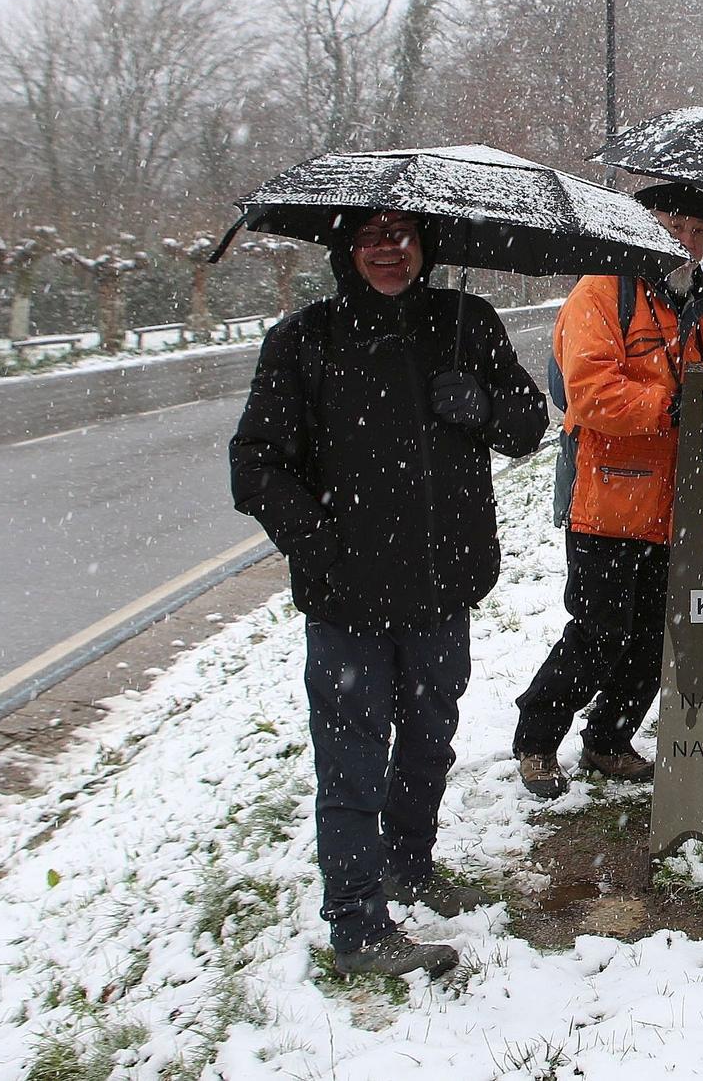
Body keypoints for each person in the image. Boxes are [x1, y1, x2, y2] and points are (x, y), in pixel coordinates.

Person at [230, 209, 547, 977]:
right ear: (346, 249)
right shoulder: (304, 341)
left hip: (442, 587)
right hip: (348, 599)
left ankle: (410, 862)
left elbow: (529, 423)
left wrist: (480, 404)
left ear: (426, 245)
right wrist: (322, 546)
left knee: (431, 740)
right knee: (351, 759)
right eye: (369, 235)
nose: (387, 248)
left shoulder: (468, 322)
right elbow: (255, 466)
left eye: (402, 234)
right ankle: (358, 923)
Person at [511, 183, 703, 798]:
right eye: (678, 227)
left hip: (678, 503)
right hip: (610, 502)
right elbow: (588, 392)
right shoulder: (601, 291)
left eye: (698, 232)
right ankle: (536, 736)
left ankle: (609, 741)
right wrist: (673, 405)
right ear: (644, 224)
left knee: (650, 637)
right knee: (597, 632)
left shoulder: (701, 301)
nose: (688, 242)